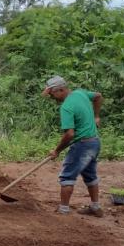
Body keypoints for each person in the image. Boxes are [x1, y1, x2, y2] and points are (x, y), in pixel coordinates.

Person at [42, 75, 103, 216]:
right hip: (94, 142)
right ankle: (95, 207)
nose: (52, 97)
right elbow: (98, 96)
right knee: (90, 175)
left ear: (61, 90)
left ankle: (63, 210)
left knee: (67, 176)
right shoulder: (80, 93)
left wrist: (57, 151)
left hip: (82, 145)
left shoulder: (66, 107)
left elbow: (69, 134)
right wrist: (96, 116)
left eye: (52, 94)